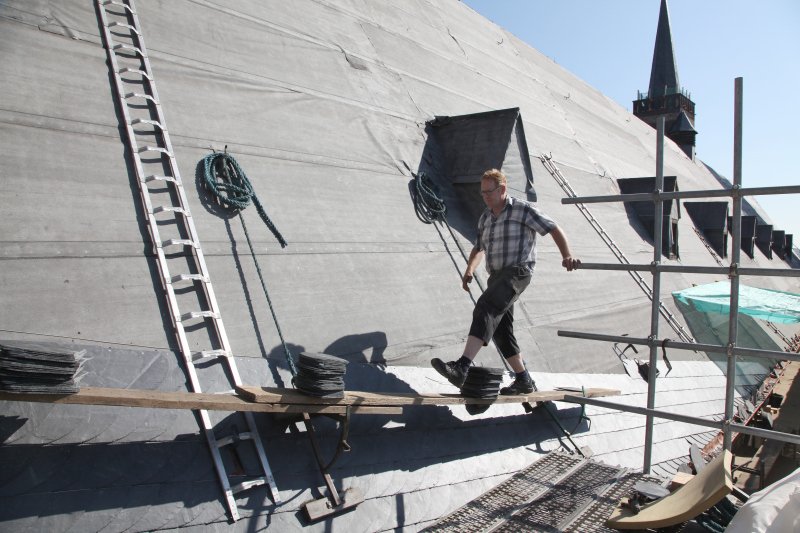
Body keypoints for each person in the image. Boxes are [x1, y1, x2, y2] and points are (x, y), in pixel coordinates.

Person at [431, 168, 580, 395]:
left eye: (489, 192)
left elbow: (553, 228)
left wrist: (566, 255)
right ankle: (523, 379)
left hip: (518, 272)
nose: (485, 196)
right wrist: (470, 269)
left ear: (502, 189)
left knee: (486, 307)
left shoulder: (522, 209)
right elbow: (479, 247)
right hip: (497, 277)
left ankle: (462, 366)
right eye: (482, 193)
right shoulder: (485, 217)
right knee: (501, 330)